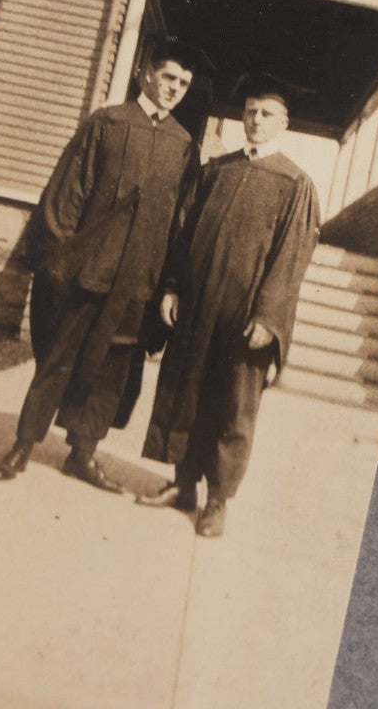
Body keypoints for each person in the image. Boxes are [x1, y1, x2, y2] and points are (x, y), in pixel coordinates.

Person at [0, 39, 208, 491]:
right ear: (145, 74)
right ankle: (24, 443)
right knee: (58, 359)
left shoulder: (185, 146)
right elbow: (67, 192)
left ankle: (82, 453)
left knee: (112, 370)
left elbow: (181, 226)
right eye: (168, 77)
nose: (174, 89)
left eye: (183, 83)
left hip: (137, 282)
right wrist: (60, 259)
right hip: (89, 272)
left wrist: (167, 283)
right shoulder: (107, 123)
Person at [136, 73, 320, 538]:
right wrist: (174, 287)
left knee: (233, 407)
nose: (256, 120)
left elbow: (290, 260)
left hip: (245, 316)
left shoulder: (295, 183)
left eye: (267, 114)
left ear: (284, 122)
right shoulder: (218, 170)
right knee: (186, 393)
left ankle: (217, 500)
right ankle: (182, 485)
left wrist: (268, 317)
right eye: (251, 111)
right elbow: (183, 232)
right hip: (198, 305)